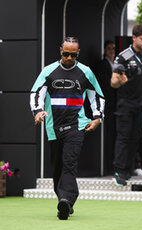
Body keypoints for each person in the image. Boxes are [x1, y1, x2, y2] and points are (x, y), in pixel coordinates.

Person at [30, 37, 105, 220]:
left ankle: (66, 199)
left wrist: (97, 118)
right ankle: (64, 201)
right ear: (60, 51)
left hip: (77, 125)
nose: (69, 58)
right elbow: (36, 93)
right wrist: (38, 112)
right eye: (66, 54)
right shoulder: (48, 71)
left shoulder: (85, 72)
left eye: (73, 54)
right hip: (53, 127)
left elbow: (97, 96)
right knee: (57, 168)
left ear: (78, 53)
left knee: (69, 163)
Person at [110, 25, 142, 186]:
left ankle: (128, 170)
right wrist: (120, 81)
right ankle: (119, 171)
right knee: (123, 137)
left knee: (135, 138)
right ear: (134, 38)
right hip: (125, 104)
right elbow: (113, 82)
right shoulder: (123, 56)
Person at [94, 40, 117, 175]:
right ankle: (108, 166)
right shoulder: (102, 65)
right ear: (104, 50)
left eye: (113, 48)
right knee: (108, 136)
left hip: (116, 104)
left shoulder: (117, 64)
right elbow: (105, 85)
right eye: (109, 48)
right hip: (107, 104)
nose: (111, 51)